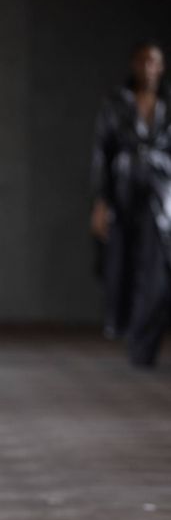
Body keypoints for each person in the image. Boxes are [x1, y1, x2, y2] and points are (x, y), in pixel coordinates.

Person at [89, 39, 171, 366]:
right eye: (143, 61)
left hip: (161, 196)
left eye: (154, 61)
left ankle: (144, 342)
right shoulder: (116, 103)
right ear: (134, 65)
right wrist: (100, 200)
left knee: (156, 272)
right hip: (123, 194)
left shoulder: (168, 104)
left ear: (161, 67)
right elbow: (101, 152)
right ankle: (129, 332)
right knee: (121, 265)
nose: (149, 68)